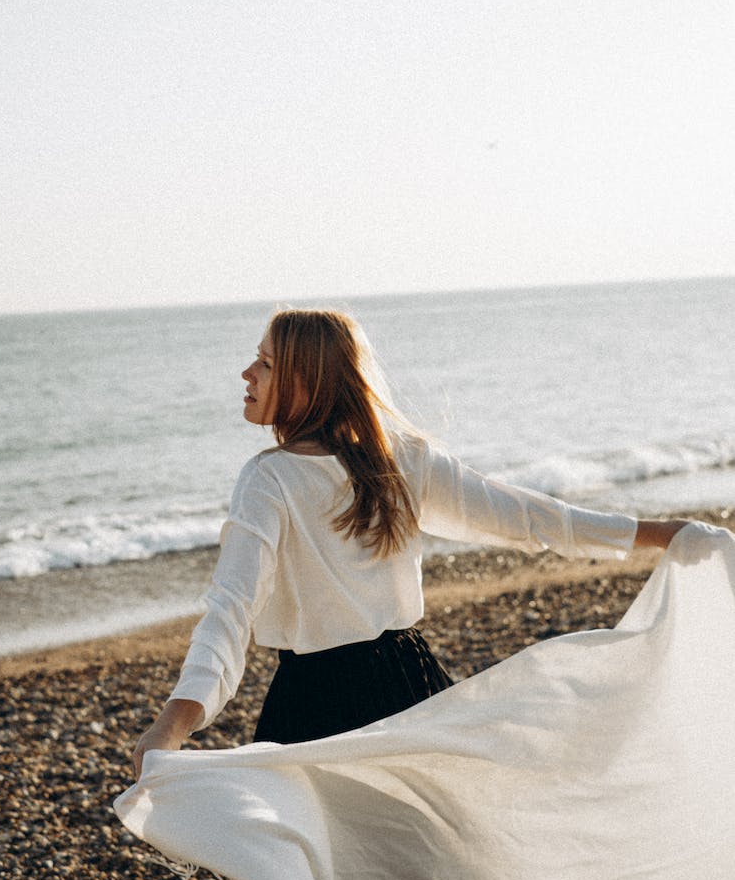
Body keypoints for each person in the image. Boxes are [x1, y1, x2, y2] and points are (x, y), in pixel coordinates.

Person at [132, 308, 686, 780]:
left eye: (267, 363)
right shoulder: (398, 455)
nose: (248, 372)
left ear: (309, 381)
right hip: (409, 682)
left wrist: (173, 725)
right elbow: (525, 516)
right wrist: (659, 534)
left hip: (315, 702)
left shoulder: (271, 478)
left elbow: (231, 610)